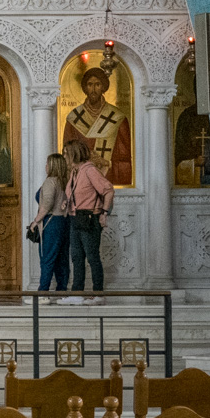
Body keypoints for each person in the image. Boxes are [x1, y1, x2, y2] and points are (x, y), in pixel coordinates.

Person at [62, 139, 114, 305]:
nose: (64, 157)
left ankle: (98, 294)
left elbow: (108, 190)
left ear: (74, 154)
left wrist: (104, 213)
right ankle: (77, 293)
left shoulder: (90, 170)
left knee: (92, 257)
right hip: (75, 217)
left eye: (65, 154)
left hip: (89, 217)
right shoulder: (74, 172)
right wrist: (67, 202)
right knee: (76, 257)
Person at [62, 67, 132, 185]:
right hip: (83, 182)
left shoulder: (118, 118)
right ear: (85, 88)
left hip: (108, 180)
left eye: (98, 84)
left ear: (104, 87)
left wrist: (106, 162)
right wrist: (86, 160)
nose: (93, 90)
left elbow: (125, 160)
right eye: (89, 85)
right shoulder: (74, 118)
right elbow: (67, 157)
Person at [29, 152, 71, 293]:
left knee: (47, 257)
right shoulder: (65, 181)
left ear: (52, 166)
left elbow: (47, 204)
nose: (45, 166)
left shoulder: (50, 181)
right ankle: (62, 290)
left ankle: (43, 292)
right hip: (64, 221)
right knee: (62, 258)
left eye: (47, 164)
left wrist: (36, 221)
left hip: (52, 221)